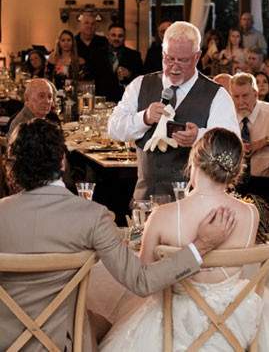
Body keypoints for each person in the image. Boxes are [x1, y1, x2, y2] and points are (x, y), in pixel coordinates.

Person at [0, 119, 235, 350]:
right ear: (62, 161)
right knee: (109, 325)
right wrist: (201, 245)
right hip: (63, 342)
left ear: (15, 165)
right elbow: (141, 282)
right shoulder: (92, 216)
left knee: (99, 322)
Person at [100, 128, 265, 352]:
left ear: (194, 160)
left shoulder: (162, 216)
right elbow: (247, 272)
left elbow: (144, 282)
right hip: (235, 325)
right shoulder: (250, 214)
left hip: (176, 326)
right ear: (235, 169)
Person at [108, 21, 240, 200]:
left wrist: (199, 137)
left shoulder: (217, 95)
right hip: (146, 200)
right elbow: (113, 130)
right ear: (163, 54)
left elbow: (232, 148)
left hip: (195, 205)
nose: (174, 67)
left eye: (183, 60)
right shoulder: (140, 85)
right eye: (169, 58)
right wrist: (144, 118)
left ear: (197, 57)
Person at [230, 72, 269, 200]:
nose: (240, 101)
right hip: (235, 183)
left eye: (245, 96)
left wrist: (263, 142)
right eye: (236, 96)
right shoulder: (227, 116)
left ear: (255, 94)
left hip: (265, 184)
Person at [89, 23, 143, 102]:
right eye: (113, 35)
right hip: (101, 100)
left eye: (120, 36)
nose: (116, 38)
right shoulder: (96, 54)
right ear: (108, 36)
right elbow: (91, 77)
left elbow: (141, 78)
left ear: (124, 37)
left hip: (125, 100)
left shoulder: (134, 55)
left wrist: (129, 74)